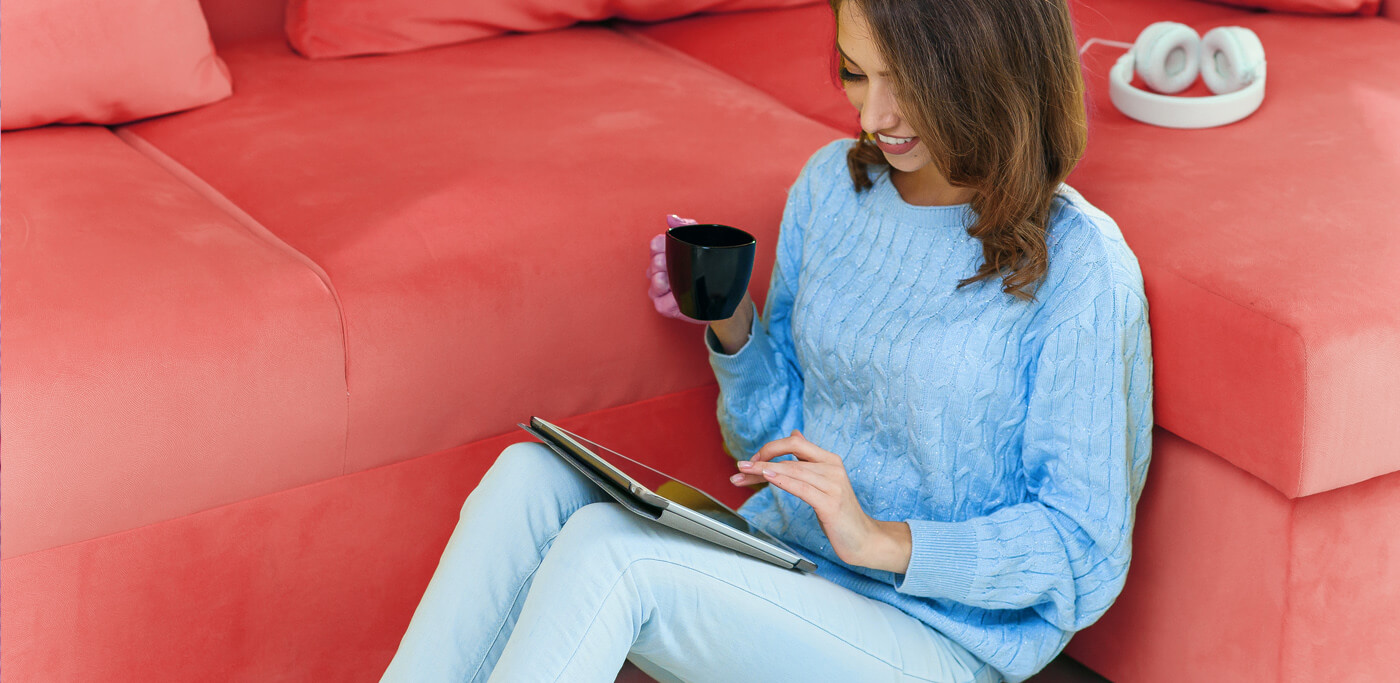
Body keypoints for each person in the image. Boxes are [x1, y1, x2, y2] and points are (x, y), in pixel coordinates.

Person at [381, 0, 1153, 680]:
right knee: (526, 477)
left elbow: (1082, 546)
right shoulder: (833, 187)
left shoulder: (1081, 264)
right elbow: (769, 444)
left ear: (989, 67)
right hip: (786, 567)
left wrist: (882, 540)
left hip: (938, 638)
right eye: (856, 74)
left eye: (907, 82)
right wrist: (731, 323)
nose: (875, 116)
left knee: (610, 555)